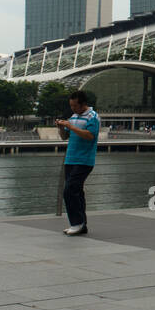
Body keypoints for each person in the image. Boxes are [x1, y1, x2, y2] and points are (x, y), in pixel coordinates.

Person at [56, 90, 100, 235]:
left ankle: (77, 223)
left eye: (75, 106)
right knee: (77, 192)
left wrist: (71, 127)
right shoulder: (73, 117)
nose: (72, 109)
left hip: (84, 160)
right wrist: (62, 128)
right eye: (71, 106)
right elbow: (64, 138)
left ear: (83, 104)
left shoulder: (93, 117)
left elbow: (90, 136)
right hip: (70, 159)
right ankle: (81, 224)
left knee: (69, 190)